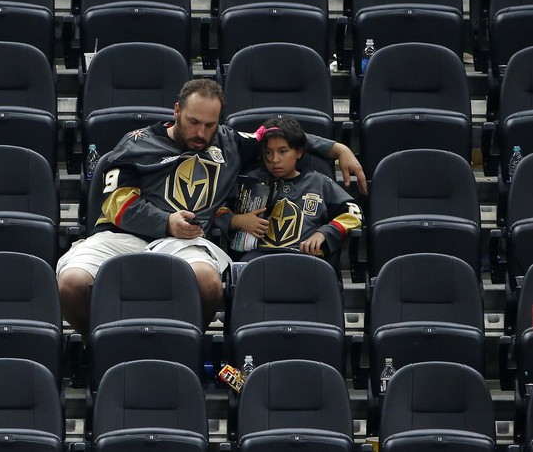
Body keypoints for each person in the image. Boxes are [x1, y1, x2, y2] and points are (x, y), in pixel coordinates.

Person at [56, 79, 365, 338]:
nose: (201, 134)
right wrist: (166, 222)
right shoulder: (137, 143)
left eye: (210, 124)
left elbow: (279, 137)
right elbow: (116, 203)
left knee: (207, 282)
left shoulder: (229, 141)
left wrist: (338, 149)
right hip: (123, 234)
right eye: (193, 122)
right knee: (71, 284)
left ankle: (186, 344)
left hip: (185, 240)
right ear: (177, 112)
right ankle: (95, 345)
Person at [232, 117, 363, 260]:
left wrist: (325, 233)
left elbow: (354, 212)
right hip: (257, 258)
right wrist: (238, 220)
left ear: (299, 152)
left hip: (303, 257)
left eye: (283, 151)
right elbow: (220, 210)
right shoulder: (250, 181)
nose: (275, 159)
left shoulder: (318, 182)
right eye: (268, 152)